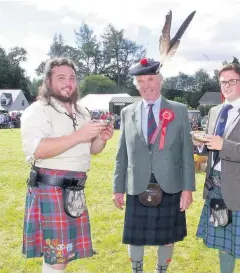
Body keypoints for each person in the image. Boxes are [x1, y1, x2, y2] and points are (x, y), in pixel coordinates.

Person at [20, 57, 114, 273]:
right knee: (57, 256)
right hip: (50, 188)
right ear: (48, 81)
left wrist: (102, 139)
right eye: (61, 77)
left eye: (72, 77)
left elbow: (90, 149)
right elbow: (37, 150)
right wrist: (79, 135)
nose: (68, 82)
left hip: (75, 190)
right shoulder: (38, 110)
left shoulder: (82, 111)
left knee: (62, 256)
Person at [112, 57, 196, 273]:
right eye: (141, 81)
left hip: (170, 184)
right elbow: (122, 155)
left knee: (167, 238)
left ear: (160, 81)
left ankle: (161, 270)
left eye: (150, 79)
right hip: (136, 184)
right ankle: (137, 270)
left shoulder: (178, 110)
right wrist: (117, 188)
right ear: (137, 85)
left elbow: (187, 153)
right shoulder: (127, 112)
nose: (146, 85)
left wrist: (187, 189)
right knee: (135, 237)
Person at [193, 59, 240, 273]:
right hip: (215, 188)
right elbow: (211, 152)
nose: (226, 85)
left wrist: (224, 145)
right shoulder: (215, 112)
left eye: (231, 81)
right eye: (222, 82)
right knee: (223, 248)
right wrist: (200, 147)